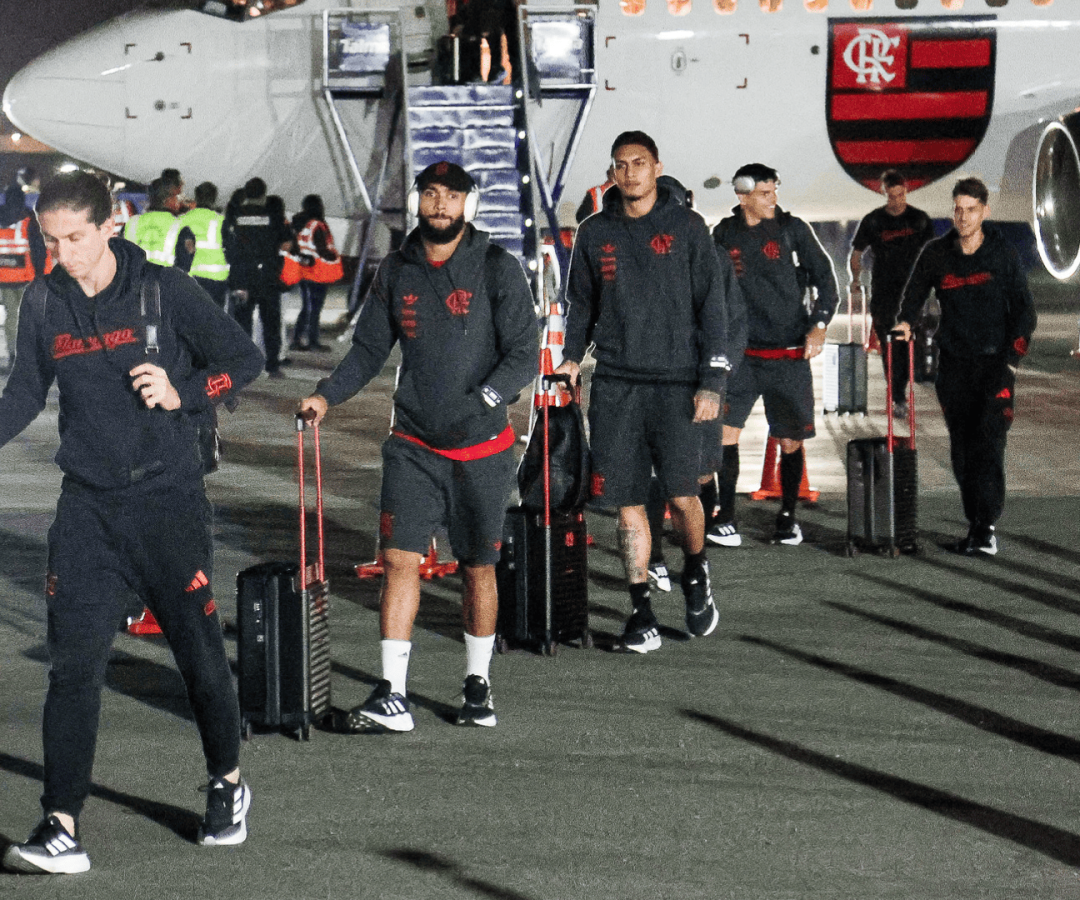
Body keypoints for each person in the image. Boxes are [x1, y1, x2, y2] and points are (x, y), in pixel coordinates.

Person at [0, 170, 264, 875]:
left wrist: (187, 391)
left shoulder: (165, 291)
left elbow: (245, 358)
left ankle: (227, 783)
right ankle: (61, 824)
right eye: (51, 240)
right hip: (86, 507)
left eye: (76, 239)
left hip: (167, 501)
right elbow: (24, 392)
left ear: (110, 225)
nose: (64, 255)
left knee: (197, 653)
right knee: (72, 668)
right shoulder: (45, 301)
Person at [298, 161, 538, 730]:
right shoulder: (397, 269)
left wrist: (486, 399)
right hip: (412, 444)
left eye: (450, 196)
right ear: (418, 203)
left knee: (478, 565)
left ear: (468, 206)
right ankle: (392, 695)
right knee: (399, 560)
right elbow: (367, 350)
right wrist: (325, 396)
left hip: (482, 448)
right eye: (430, 194)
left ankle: (477, 686)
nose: (439, 205)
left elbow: (524, 352)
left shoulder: (497, 268)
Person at [557, 131, 734, 653]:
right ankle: (641, 610)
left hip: (679, 384)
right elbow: (581, 305)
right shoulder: (593, 234)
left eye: (639, 163)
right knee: (627, 503)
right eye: (620, 165)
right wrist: (571, 356)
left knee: (683, 498)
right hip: (615, 385)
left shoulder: (688, 228)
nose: (629, 172)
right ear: (611, 173)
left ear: (657, 168)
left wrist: (712, 381)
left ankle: (696, 573)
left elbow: (714, 309)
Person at [895, 177, 1036, 556]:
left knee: (988, 444)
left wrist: (1012, 362)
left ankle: (986, 526)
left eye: (971, 209)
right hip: (953, 367)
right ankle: (976, 524)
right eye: (957, 208)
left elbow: (1025, 312)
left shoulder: (1001, 254)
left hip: (995, 366)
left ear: (985, 211)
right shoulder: (937, 253)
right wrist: (906, 322)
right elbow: (914, 293)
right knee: (962, 449)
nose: (963, 216)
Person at [711, 163, 839, 547]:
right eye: (765, 194)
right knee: (724, 435)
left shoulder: (792, 229)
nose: (773, 200)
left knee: (789, 440)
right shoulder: (724, 233)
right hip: (743, 357)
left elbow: (825, 278)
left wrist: (819, 324)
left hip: (787, 355)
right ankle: (727, 515)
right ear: (742, 195)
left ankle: (787, 517)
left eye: (774, 192)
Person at [849, 170, 934, 415]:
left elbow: (933, 253)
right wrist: (856, 279)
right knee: (891, 347)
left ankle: (906, 384)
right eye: (892, 196)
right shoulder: (874, 221)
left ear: (906, 192)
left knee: (909, 346)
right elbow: (856, 254)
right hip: (884, 295)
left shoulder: (919, 220)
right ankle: (897, 397)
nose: (897, 201)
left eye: (901, 195)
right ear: (885, 193)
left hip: (913, 294)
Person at [224, 177, 293, 377]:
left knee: (241, 323)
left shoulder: (235, 215)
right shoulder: (274, 215)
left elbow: (227, 242)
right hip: (267, 277)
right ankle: (272, 365)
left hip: (242, 276)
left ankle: (242, 367)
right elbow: (287, 244)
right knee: (271, 323)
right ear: (263, 195)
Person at [0, 166, 46, 371]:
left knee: (11, 316)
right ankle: (26, 356)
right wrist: (41, 276)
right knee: (27, 317)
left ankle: (12, 354)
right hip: (25, 277)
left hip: (3, 277)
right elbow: (38, 249)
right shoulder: (28, 218)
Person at [289, 194, 342, 351]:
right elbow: (322, 249)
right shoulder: (317, 225)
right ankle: (312, 341)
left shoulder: (298, 223)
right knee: (314, 309)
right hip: (318, 272)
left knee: (307, 307)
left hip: (304, 270)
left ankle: (298, 339)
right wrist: (333, 256)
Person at [123, 177, 195, 272]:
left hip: (132, 283)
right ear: (168, 200)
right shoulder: (181, 227)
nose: (180, 200)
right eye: (177, 196)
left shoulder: (132, 222)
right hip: (165, 283)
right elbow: (187, 264)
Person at [180, 181, 230, 308]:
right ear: (214, 199)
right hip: (216, 280)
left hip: (189, 278)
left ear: (196, 198)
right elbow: (231, 249)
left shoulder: (182, 219)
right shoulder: (220, 221)